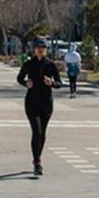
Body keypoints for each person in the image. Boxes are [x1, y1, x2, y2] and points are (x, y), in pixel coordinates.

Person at [17, 37, 61, 175]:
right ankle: (37, 162)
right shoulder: (29, 64)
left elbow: (60, 83)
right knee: (37, 131)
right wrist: (26, 83)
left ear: (46, 49)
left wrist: (52, 83)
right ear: (34, 50)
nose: (40, 50)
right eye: (38, 48)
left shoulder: (50, 65)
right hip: (31, 103)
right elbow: (19, 78)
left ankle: (38, 157)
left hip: (46, 103)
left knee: (42, 133)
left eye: (43, 48)